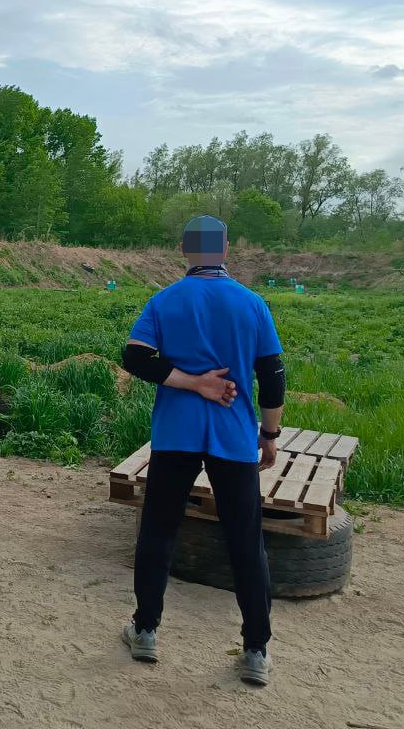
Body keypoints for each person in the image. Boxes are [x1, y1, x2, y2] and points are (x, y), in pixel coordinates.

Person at [118, 215, 286, 686]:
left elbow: (134, 357)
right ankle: (256, 651)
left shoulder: (164, 301)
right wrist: (269, 436)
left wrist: (191, 383)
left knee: (158, 532)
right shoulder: (252, 304)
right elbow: (272, 376)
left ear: (184, 249)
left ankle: (146, 630)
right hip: (234, 440)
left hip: (176, 436)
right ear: (226, 248)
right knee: (245, 542)